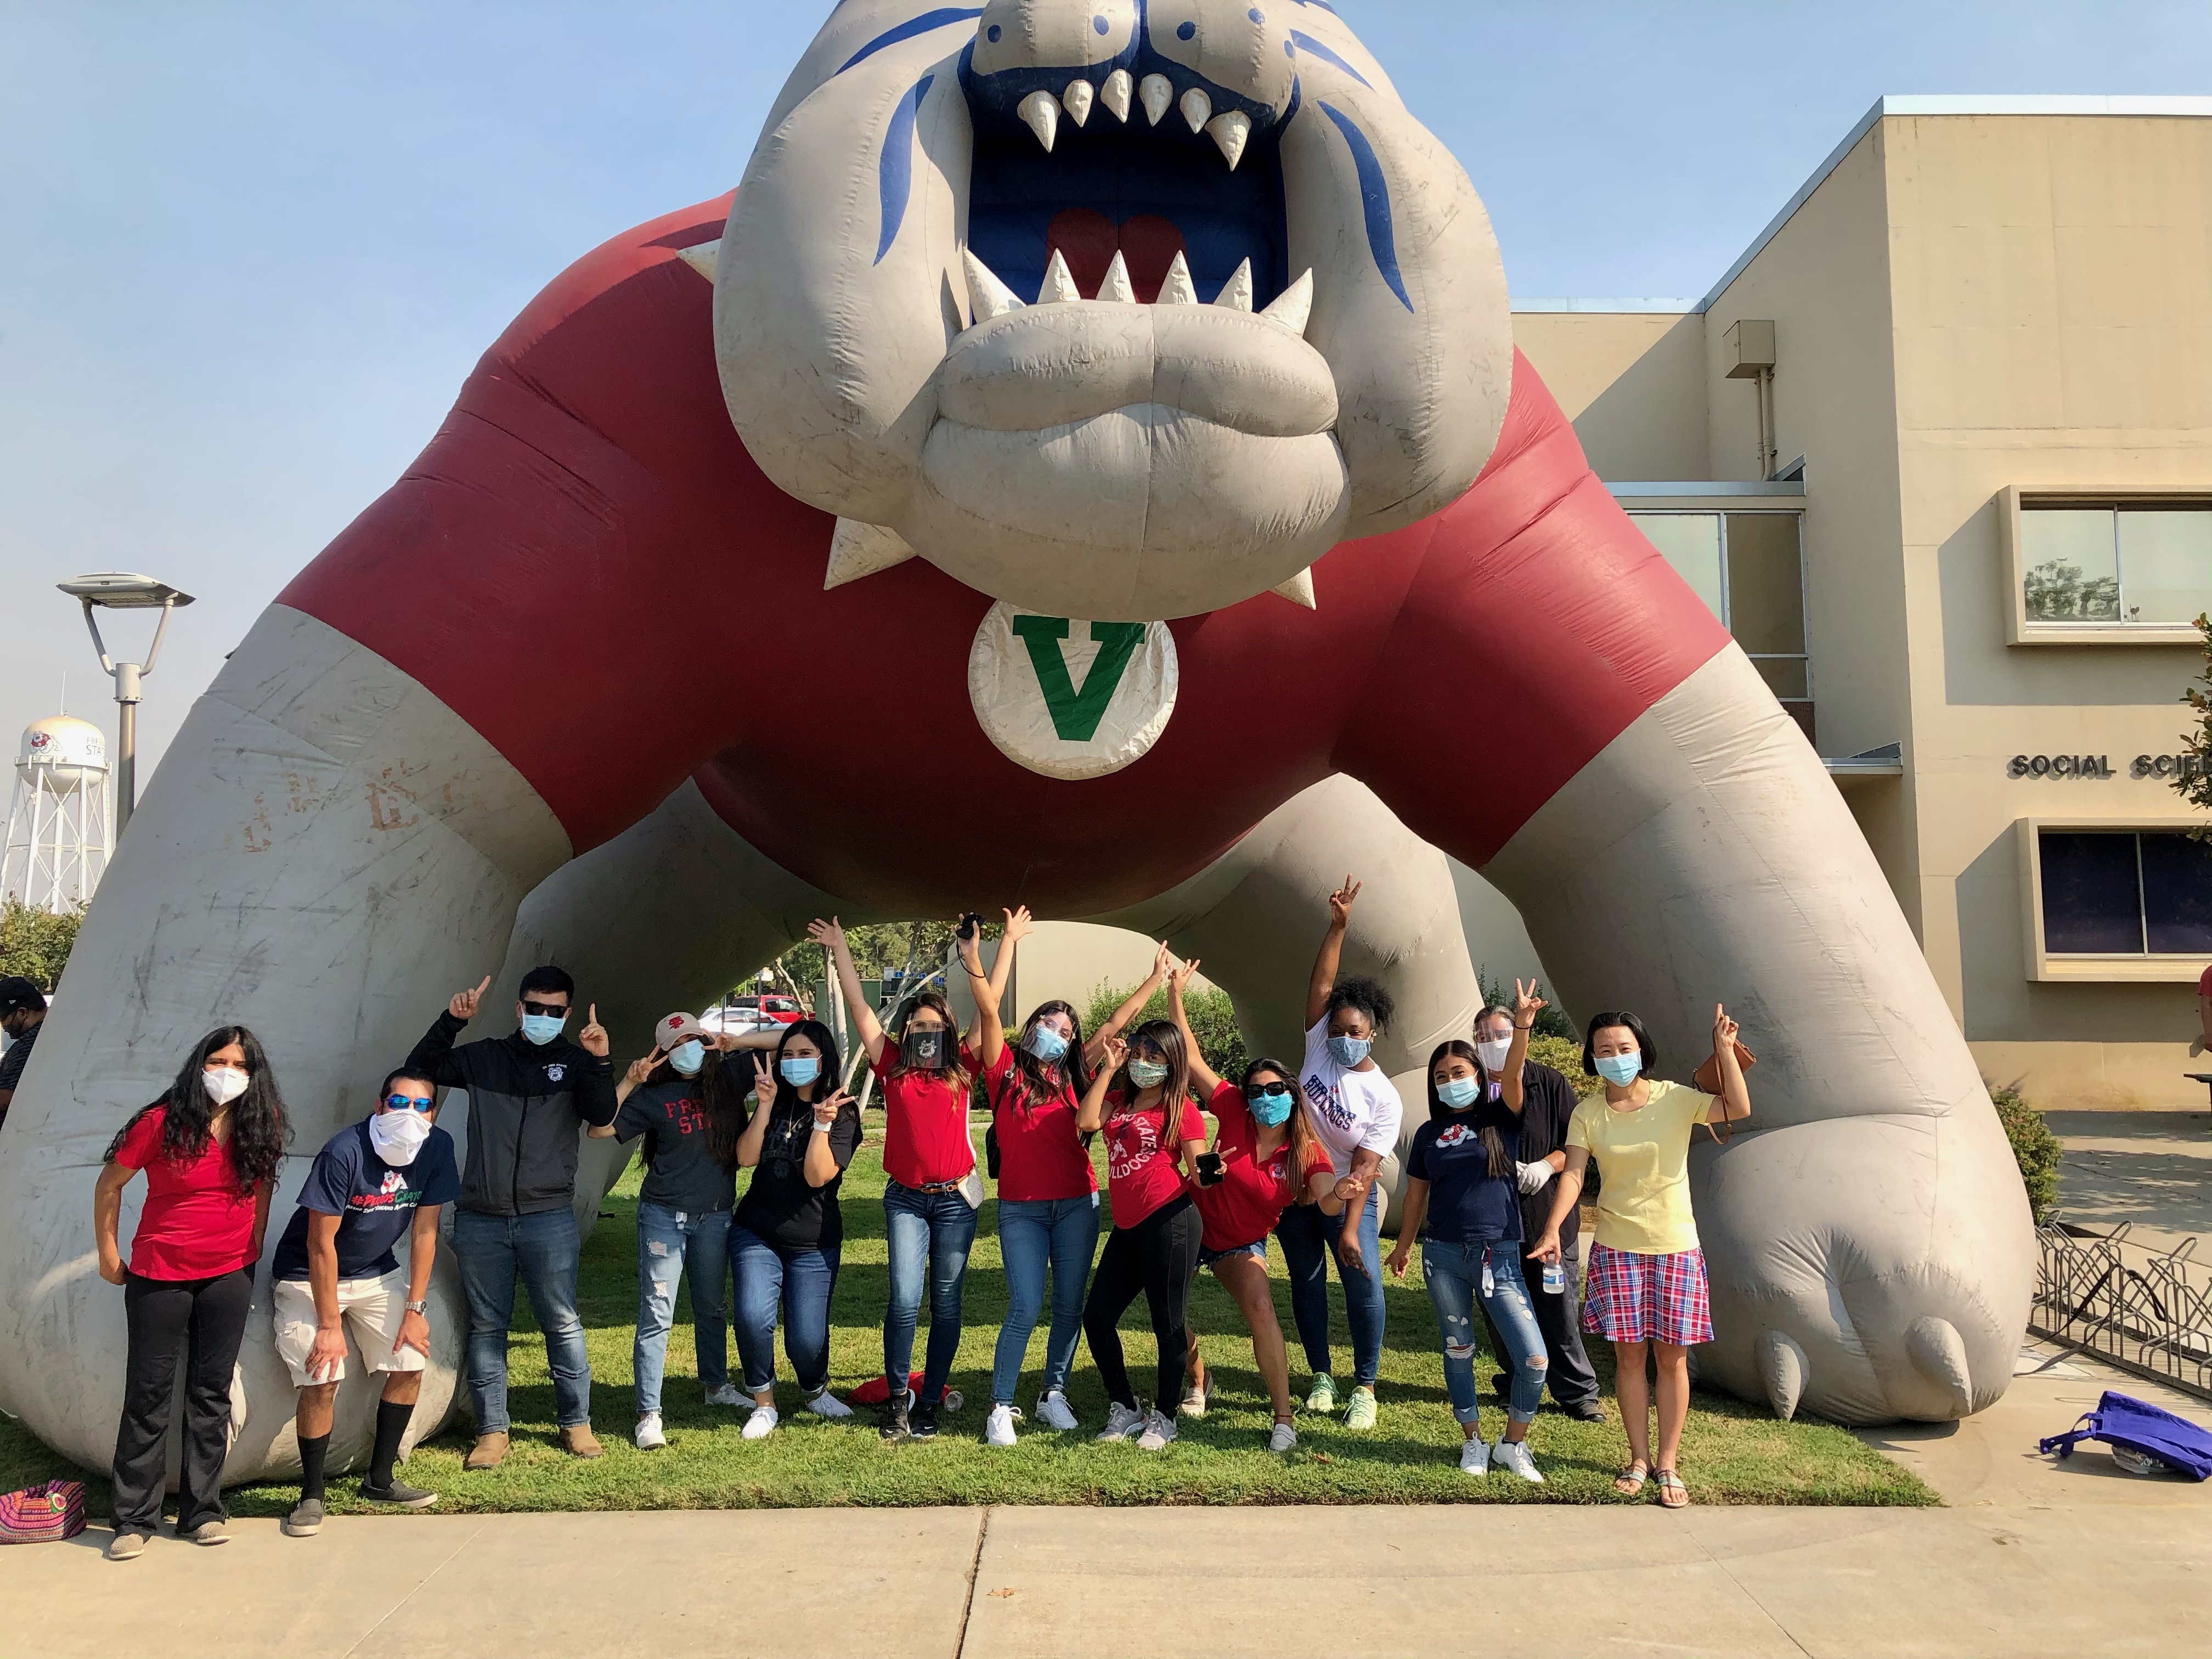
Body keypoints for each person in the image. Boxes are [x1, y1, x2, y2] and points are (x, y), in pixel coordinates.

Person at [960, 914, 1176, 1446]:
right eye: (1049, 1024)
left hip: (1078, 1205)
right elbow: (989, 1007)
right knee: (1024, 1306)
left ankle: (1052, 1392)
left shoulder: (1079, 1074)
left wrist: (1155, 979)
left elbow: (1118, 1022)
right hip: (1022, 1210)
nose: (1057, 1034)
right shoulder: (1003, 1068)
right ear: (1031, 1025)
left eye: (1066, 1030)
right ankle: (1001, 1406)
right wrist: (998, 949)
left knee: (1069, 1308)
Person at [1529, 1005, 1750, 1509]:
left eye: (1624, 1048)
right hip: (1616, 1249)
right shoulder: (1588, 1113)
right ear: (1592, 1058)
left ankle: (1668, 1462)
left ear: (1641, 1051)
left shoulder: (1675, 1099)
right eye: (1604, 1050)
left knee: (1672, 1360)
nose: (1615, 1057)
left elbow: (1737, 1106)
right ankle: (1638, 1458)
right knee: (1629, 1358)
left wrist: (1723, 1050)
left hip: (1676, 1248)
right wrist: (1549, 1229)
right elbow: (1574, 1176)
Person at [404, 965, 615, 1469]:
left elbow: (603, 1115)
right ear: (519, 1009)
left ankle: (577, 1423)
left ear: (566, 1014)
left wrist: (602, 1060)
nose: (543, 1017)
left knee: (562, 1323)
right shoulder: (486, 1058)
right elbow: (421, 1068)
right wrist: (451, 1021)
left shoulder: (576, 1062)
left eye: (554, 1011)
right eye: (534, 1008)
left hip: (548, 1217)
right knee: (487, 1327)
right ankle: (492, 1431)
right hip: (482, 1217)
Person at [92, 1027, 287, 1559]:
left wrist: (254, 1242)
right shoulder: (161, 1123)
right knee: (148, 1395)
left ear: (254, 1075)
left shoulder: (258, 1123)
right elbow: (110, 1185)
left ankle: (202, 1510)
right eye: (218, 1061)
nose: (228, 1073)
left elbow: (264, 1184)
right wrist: (109, 1254)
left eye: (239, 1065)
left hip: (228, 1276)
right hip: (160, 1274)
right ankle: (134, 1519)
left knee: (211, 1393)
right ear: (198, 1065)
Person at [270, 1066, 460, 1536]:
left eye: (421, 1105)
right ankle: (311, 1495)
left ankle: (380, 1479)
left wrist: (415, 1310)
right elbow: (319, 1244)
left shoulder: (438, 1147)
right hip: (309, 1274)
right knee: (322, 1377)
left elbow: (425, 1230)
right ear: (379, 1106)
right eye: (399, 1103)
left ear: (433, 1113)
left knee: (411, 1361)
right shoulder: (345, 1151)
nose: (410, 1114)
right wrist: (330, 1324)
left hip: (377, 1274)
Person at [811, 918, 978, 1443]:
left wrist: (980, 954)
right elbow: (861, 1009)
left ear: (948, 1033)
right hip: (906, 1200)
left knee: (946, 1303)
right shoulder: (892, 1067)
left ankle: (929, 1404)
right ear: (906, 1032)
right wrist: (841, 949)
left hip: (955, 1200)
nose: (925, 1036)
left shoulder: (964, 1066)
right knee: (905, 1300)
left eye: (935, 1029)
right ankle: (900, 1404)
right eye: (917, 1028)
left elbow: (989, 1010)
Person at [1387, 984, 1554, 1483]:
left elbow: (1515, 1074)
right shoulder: (1428, 1135)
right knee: (1458, 1351)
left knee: (1533, 1358)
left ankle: (1512, 1444)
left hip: (1500, 1254)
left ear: (1479, 1076)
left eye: (1459, 1073)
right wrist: (1401, 1246)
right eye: (1441, 1077)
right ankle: (1473, 1443)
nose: (1450, 1082)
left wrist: (1522, 1025)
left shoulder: (1501, 1118)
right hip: (1443, 1256)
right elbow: (1415, 1195)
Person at [1171, 960, 1340, 1453]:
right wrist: (1176, 994)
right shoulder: (1231, 1109)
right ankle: (1199, 1379)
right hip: (1189, 1219)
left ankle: (1283, 1419)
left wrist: (1343, 1195)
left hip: (1239, 1243)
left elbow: (1326, 1198)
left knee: (1262, 1307)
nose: (1264, 1098)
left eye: (1274, 1091)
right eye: (1256, 1092)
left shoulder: (1306, 1151)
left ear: (1290, 1094)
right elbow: (1193, 1057)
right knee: (1170, 1310)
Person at [587, 1012, 748, 1450]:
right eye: (676, 1044)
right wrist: (629, 1080)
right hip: (663, 1217)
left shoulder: (730, 1078)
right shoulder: (653, 1097)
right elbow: (599, 1129)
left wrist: (732, 1043)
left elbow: (792, 1040)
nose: (689, 1049)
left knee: (712, 1306)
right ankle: (649, 1414)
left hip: (715, 1215)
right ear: (662, 1053)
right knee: (657, 1314)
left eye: (694, 1039)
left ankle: (717, 1387)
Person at [1282, 875, 1402, 1431]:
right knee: (1306, 1285)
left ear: (1372, 1034)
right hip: (1297, 1191)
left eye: (1354, 1030)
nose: (1342, 1036)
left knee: (1363, 1283)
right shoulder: (1318, 1051)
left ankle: (1366, 1386)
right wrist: (1337, 927)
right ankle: (1323, 1377)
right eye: (1336, 1028)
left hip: (1350, 1197)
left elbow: (1366, 1167)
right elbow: (1322, 982)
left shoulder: (1385, 1096)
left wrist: (1353, 1229)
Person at [1468, 1002, 1604, 1421]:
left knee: (1558, 1309)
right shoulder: (1468, 1088)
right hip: (1494, 1221)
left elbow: (1578, 1146)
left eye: (1500, 1034)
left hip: (1548, 1217)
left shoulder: (1551, 1082)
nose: (1493, 1044)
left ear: (1518, 1034)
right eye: (1484, 1037)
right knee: (1501, 1308)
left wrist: (1548, 1165)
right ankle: (1515, 1382)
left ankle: (1578, 1393)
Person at [726, 1018, 861, 1439]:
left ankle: (814, 1389)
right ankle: (763, 1402)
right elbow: (745, 1158)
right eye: (788, 1055)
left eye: (806, 1055)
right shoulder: (773, 1100)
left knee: (806, 1341)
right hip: (756, 1231)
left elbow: (818, 1176)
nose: (795, 1062)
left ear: (824, 1060)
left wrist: (822, 1124)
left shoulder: (843, 1112)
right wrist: (763, 1106)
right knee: (751, 1316)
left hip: (813, 1242)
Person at [1077, 1019, 1208, 1450]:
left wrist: (1215, 1170)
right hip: (1128, 1228)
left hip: (1171, 1223)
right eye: (1140, 1051)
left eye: (1156, 1055)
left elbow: (1201, 1172)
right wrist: (1109, 1069)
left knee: (1167, 1325)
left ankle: (1165, 1416)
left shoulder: (1180, 1109)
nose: (1145, 1061)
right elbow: (1087, 1119)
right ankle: (1125, 1406)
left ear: (1173, 1064)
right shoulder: (1117, 1100)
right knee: (1096, 1318)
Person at [0, 975, 48, 1131]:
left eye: (3, 1019)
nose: (3, 1026)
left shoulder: (29, 1044)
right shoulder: (53, 1031)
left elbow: (10, 1097)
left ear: (22, 1013)